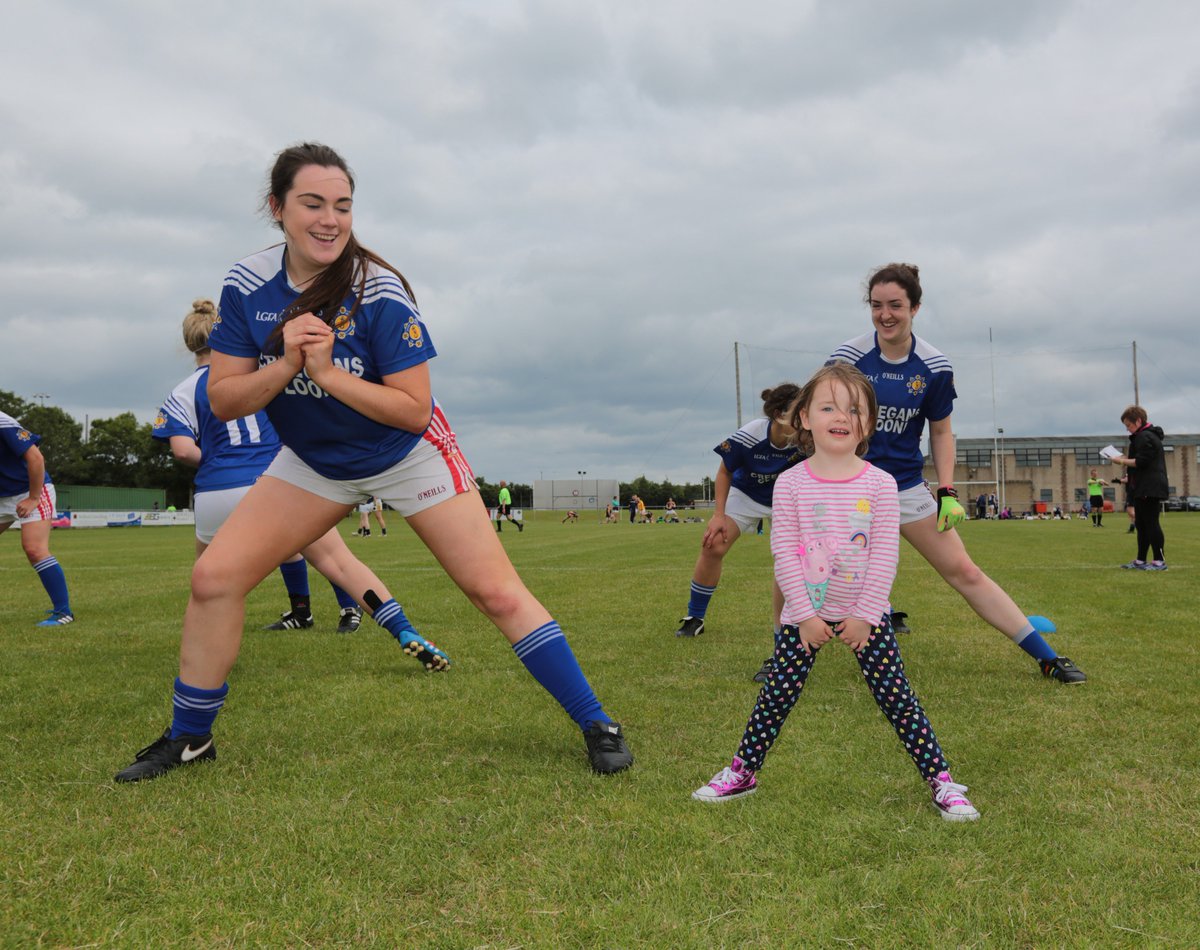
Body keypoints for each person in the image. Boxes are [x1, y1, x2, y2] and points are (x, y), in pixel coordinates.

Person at [115, 142, 630, 783]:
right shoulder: (247, 284)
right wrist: (283, 366)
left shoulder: (378, 290)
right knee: (214, 579)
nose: (329, 219)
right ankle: (190, 739)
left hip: (407, 454)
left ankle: (596, 722)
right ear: (277, 208)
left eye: (342, 205)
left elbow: (415, 410)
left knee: (494, 592)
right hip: (313, 463)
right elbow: (222, 396)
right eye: (312, 203)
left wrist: (324, 373)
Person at [692, 363, 979, 821]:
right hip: (803, 618)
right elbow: (783, 552)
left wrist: (866, 615)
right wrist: (803, 615)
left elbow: (885, 555)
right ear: (804, 417)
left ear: (867, 422)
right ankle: (743, 772)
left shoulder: (881, 484)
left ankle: (942, 781)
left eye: (854, 409)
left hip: (866, 616)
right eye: (828, 406)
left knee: (898, 699)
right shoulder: (790, 483)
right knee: (776, 698)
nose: (841, 416)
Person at [827, 263, 1086, 683]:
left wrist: (947, 490)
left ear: (916, 307)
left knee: (965, 571)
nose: (885, 315)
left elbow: (942, 431)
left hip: (906, 488)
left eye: (896, 305)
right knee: (803, 563)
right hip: (849, 487)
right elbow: (826, 420)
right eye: (876, 305)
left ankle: (1046, 656)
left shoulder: (934, 364)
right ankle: (780, 656)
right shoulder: (847, 358)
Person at [152, 297, 418, 637]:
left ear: (190, 343)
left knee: (208, 578)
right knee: (334, 558)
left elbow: (183, 451)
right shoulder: (262, 375)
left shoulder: (182, 391)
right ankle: (392, 625)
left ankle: (209, 651)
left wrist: (220, 460)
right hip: (272, 482)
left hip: (215, 491)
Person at [673, 385, 803, 680]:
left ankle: (783, 640)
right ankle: (695, 616)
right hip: (746, 494)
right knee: (713, 545)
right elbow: (724, 471)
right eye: (800, 409)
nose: (806, 415)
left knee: (789, 562)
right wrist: (718, 515)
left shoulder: (807, 437)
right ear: (779, 415)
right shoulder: (751, 434)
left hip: (787, 498)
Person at [0, 410, 75, 625]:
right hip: (2, 495)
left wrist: (34, 497)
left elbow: (36, 458)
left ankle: (63, 612)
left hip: (32, 489)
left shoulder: (2, 423)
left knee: (34, 548)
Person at [1112, 406, 1167, 570]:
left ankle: (1159, 561)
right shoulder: (1143, 436)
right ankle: (1141, 560)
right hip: (1142, 486)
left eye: (1128, 425)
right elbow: (1143, 465)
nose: (1127, 429)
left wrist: (1120, 461)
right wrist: (1130, 477)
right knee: (1141, 524)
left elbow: (1141, 461)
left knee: (1151, 523)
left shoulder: (1145, 436)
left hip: (1150, 488)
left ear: (1138, 421)